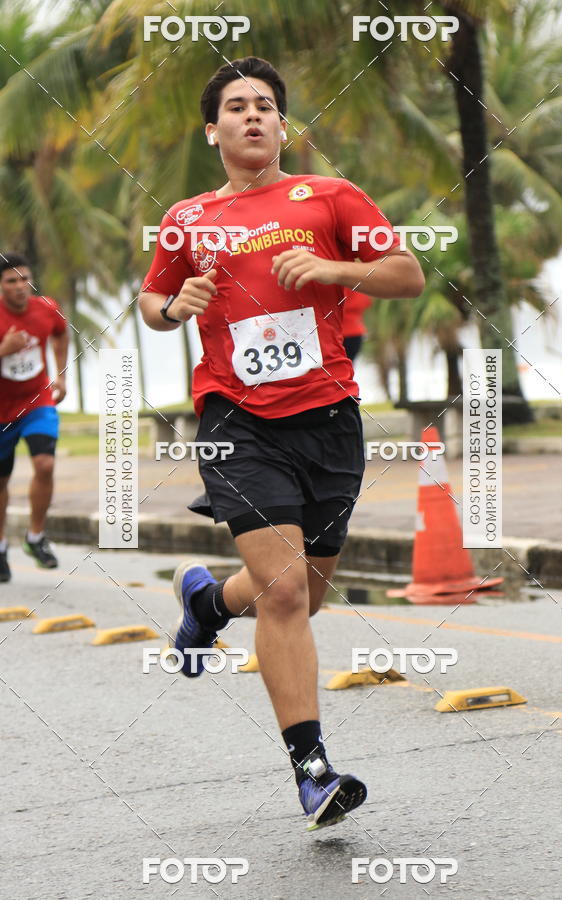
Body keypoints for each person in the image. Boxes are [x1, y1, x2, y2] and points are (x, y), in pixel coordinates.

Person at [139, 56, 424, 831]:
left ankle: (207, 598)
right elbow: (152, 297)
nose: (253, 115)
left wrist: (333, 266)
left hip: (329, 420)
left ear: (283, 124)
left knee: (305, 594)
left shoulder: (329, 197)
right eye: (237, 106)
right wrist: (174, 308)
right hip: (237, 421)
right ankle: (312, 771)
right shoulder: (186, 218)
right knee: (289, 591)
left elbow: (407, 272)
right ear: (214, 130)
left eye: (266, 104)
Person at [0, 253, 68, 581]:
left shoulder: (46, 308)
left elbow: (60, 332)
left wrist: (62, 375)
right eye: (11, 280)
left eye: (24, 278)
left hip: (36, 400)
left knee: (45, 464)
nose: (20, 286)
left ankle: (35, 538)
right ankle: (0, 547)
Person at [342, 287, 372, 363]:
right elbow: (367, 303)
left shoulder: (342, 284)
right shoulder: (359, 285)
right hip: (356, 333)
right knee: (348, 366)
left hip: (341, 333)